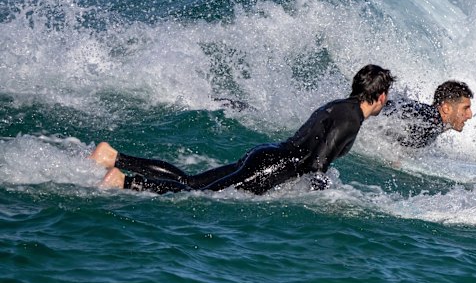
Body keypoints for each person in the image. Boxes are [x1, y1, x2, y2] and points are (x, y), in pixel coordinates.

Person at [91, 64, 395, 195]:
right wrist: (324, 197)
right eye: (387, 97)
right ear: (380, 96)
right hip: (270, 166)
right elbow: (318, 164)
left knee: (192, 182)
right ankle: (125, 181)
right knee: (199, 195)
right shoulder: (351, 119)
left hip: (266, 156)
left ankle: (114, 157)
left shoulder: (338, 105)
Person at [381, 80, 473, 148]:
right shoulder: (430, 120)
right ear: (446, 108)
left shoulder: (435, 122)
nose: (470, 115)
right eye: (465, 108)